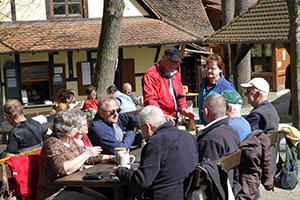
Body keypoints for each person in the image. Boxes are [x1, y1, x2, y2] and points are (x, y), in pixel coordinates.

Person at [113, 106, 198, 200]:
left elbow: (141, 181)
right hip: (187, 195)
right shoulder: (188, 136)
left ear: (148, 126)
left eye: (141, 130)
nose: (142, 134)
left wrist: (120, 171)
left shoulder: (155, 143)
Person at [36, 111, 111, 200]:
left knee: (103, 198)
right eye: (76, 127)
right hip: (54, 193)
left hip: (73, 187)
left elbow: (87, 158)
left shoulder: (70, 141)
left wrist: (110, 158)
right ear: (67, 131)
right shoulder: (52, 144)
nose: (79, 129)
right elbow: (64, 169)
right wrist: (87, 154)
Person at [197, 93, 241, 195]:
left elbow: (207, 178)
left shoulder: (210, 140)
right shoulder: (232, 131)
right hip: (231, 185)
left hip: (219, 192)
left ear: (206, 111)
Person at [143, 47, 195, 124]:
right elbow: (150, 99)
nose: (173, 65)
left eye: (176, 62)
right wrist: (162, 116)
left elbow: (180, 95)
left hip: (173, 118)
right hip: (158, 120)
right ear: (163, 57)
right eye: (171, 61)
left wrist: (183, 109)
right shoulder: (151, 75)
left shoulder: (176, 74)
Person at [198, 54, 236, 125]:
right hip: (203, 124)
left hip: (217, 125)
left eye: (213, 68)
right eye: (207, 68)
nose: (209, 71)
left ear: (220, 69)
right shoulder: (203, 83)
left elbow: (236, 106)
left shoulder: (226, 87)